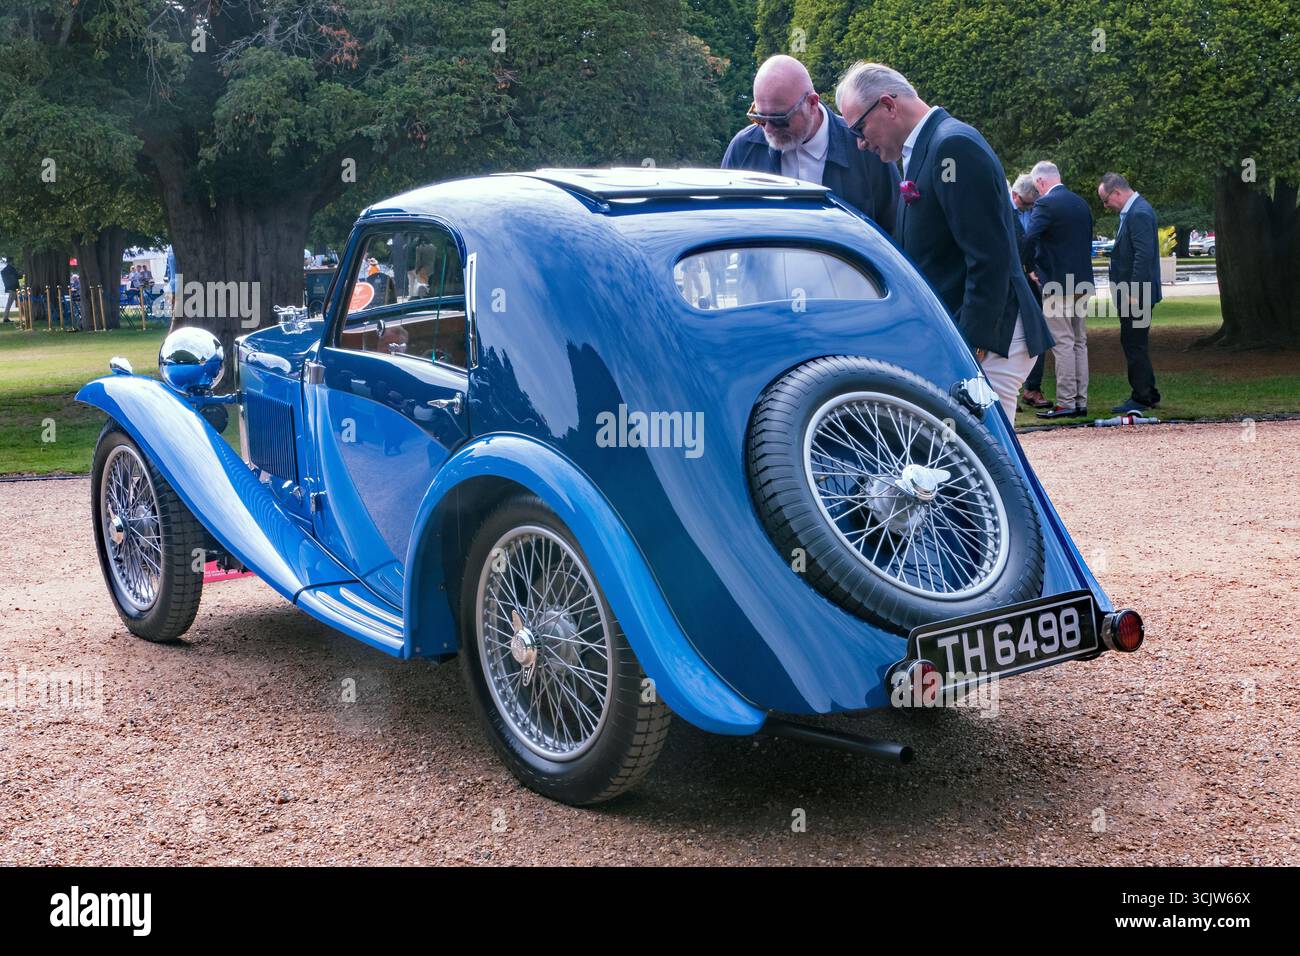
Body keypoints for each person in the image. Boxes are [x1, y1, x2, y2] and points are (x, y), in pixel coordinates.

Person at [835, 62, 1052, 419]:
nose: (860, 143)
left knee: (986, 466)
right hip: (983, 338)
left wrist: (967, 349)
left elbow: (988, 258)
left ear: (889, 106)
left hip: (992, 340)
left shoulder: (951, 146)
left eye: (859, 127)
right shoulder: (932, 146)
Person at [722, 54, 899, 235]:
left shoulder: (865, 148)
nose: (768, 128)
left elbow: (894, 232)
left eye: (779, 119)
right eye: (759, 118)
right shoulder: (744, 149)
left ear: (812, 103)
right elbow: (724, 227)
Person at [1023, 161, 1095, 418]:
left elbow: (1030, 237)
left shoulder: (1046, 204)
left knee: (1063, 343)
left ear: (1041, 182)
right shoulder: (1081, 204)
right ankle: (1080, 400)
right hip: (1082, 281)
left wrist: (1029, 266)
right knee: (1079, 342)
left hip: (1056, 282)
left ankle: (1066, 402)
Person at [1099, 172, 1162, 412]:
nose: (1106, 206)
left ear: (1116, 192)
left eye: (1106, 200)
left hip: (1137, 293)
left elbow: (1143, 256)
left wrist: (1134, 292)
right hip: (1135, 291)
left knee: (1134, 344)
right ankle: (1149, 391)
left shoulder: (1138, 213)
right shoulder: (1135, 211)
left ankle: (1141, 396)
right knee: (1135, 343)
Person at [1011, 175, 1050, 409]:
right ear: (1016, 196)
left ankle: (1032, 388)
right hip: (1013, 280)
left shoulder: (1033, 210)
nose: (1030, 208)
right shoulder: (1004, 211)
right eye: (1026, 203)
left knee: (1037, 332)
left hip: (1032, 280)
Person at [1, 258, 18, 323]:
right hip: (13, 288)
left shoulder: (5, 270)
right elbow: (17, 276)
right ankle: (5, 318)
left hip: (10, 287)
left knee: (9, 303)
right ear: (10, 261)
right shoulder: (11, 269)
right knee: (9, 303)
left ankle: (6, 317)